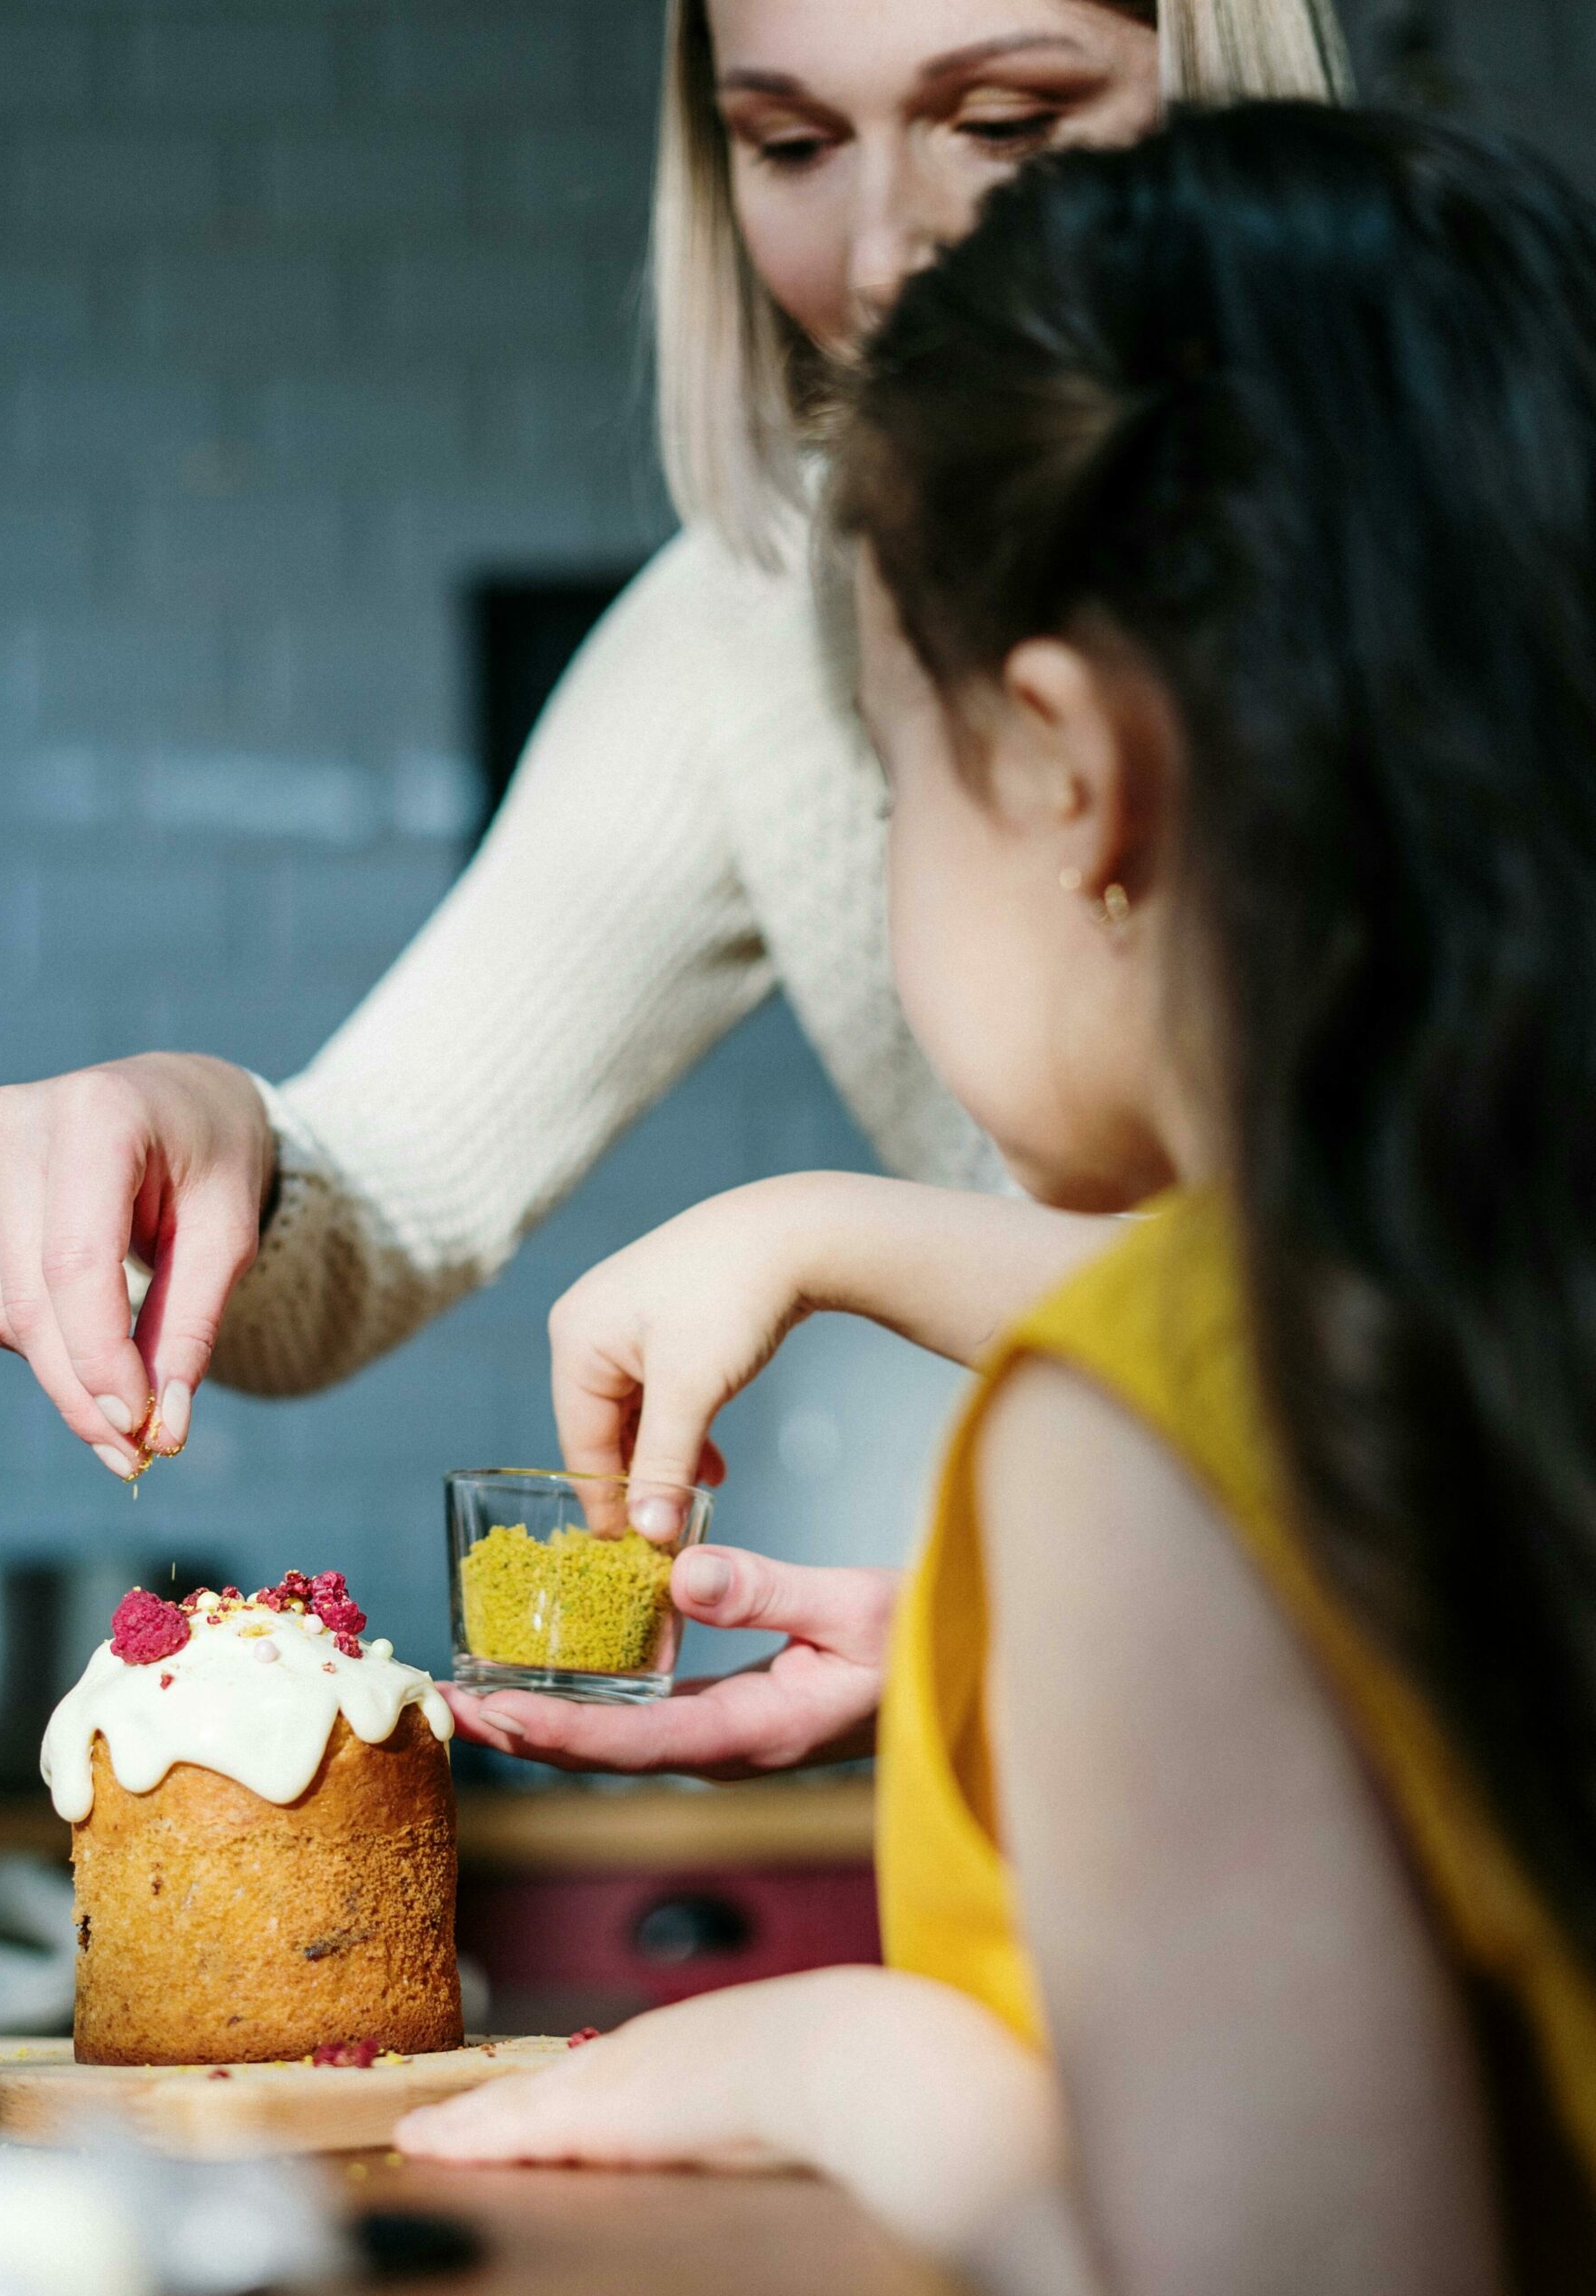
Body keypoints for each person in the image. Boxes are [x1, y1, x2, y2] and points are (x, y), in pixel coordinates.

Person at [399, 103, 1596, 2296]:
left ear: (1066, 766)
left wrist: (858, 2061)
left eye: (894, 759)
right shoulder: (1478, 1293)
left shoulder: (1129, 1443)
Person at [0, 0, 1339, 1532]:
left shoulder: (1483, 569)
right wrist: (204, 1129)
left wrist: (836, 1240)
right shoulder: (757, 616)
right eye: (789, 143)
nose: (880, 261)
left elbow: (1441, 1306)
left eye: (1004, 126)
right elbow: (389, 1194)